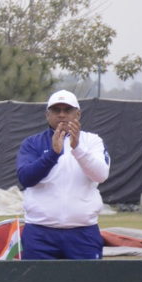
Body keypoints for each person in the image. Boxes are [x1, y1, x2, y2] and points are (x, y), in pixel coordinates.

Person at [17, 90, 110, 260]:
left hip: (83, 232)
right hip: (39, 233)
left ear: (78, 114)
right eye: (56, 110)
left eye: (67, 110)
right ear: (47, 115)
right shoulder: (32, 143)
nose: (61, 115)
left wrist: (78, 149)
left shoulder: (92, 141)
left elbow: (101, 175)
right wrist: (52, 154)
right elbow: (25, 178)